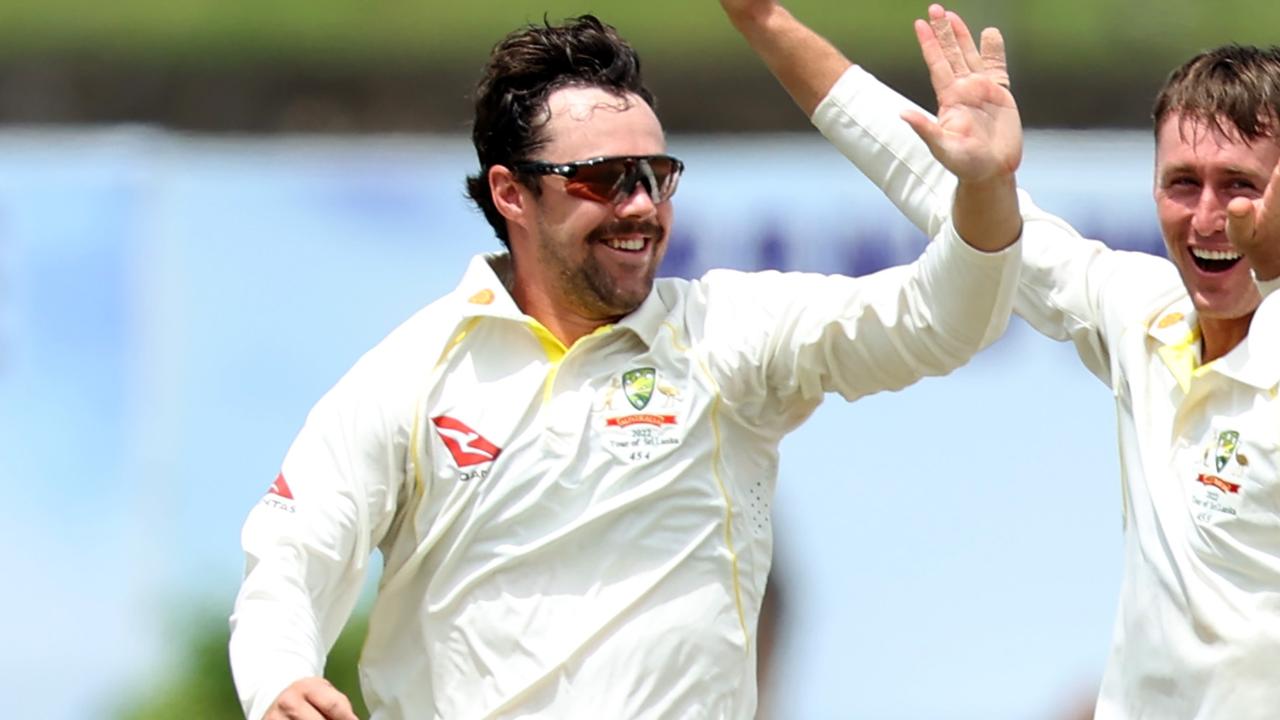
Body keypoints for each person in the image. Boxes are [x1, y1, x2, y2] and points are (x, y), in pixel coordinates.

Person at [228, 12, 1024, 720]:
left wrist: (985, 188)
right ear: (511, 192)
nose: (641, 206)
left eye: (656, 176)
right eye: (604, 180)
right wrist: (278, 677)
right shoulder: (414, 370)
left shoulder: (727, 334)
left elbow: (944, 320)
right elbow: (295, 555)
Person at [721, 1, 1280, 717]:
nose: (1208, 217)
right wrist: (765, 21)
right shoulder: (1146, 316)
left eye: (1240, 184)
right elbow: (925, 181)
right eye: (1182, 183)